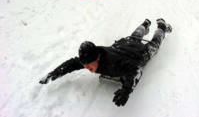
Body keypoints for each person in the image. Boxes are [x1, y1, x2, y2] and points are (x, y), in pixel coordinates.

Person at [39, 18, 172, 107]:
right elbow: (71, 64)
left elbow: (135, 71)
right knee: (134, 36)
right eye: (85, 65)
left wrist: (126, 91)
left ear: (97, 58)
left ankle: (161, 27)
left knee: (154, 45)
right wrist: (53, 74)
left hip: (137, 54)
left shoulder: (115, 63)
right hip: (122, 46)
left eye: (89, 65)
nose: (87, 68)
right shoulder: (90, 58)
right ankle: (144, 24)